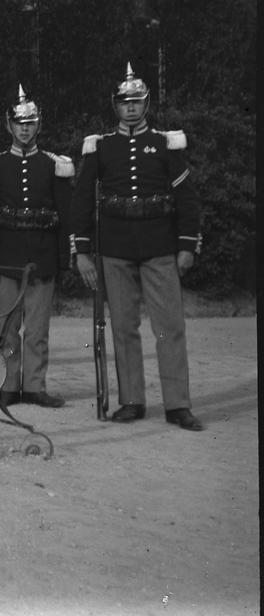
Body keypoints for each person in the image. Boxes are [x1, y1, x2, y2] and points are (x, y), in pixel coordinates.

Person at [71, 64, 203, 431]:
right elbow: (82, 202)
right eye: (124, 102)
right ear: (115, 105)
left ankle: (178, 404)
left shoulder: (164, 144)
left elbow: (187, 199)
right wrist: (82, 251)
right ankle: (132, 400)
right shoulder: (100, 148)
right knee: (123, 327)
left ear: (147, 104)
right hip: (115, 247)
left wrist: (187, 245)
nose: (131, 108)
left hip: (160, 244)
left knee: (169, 327)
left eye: (137, 102)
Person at [0, 86, 73, 408]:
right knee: (6, 327)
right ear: (9, 125)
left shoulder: (53, 165)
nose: (24, 128)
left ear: (39, 125)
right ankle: (9, 385)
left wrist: (63, 259)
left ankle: (35, 386)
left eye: (30, 122)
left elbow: (65, 215)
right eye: (19, 122)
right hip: (5, 255)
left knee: (38, 329)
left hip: (41, 256)